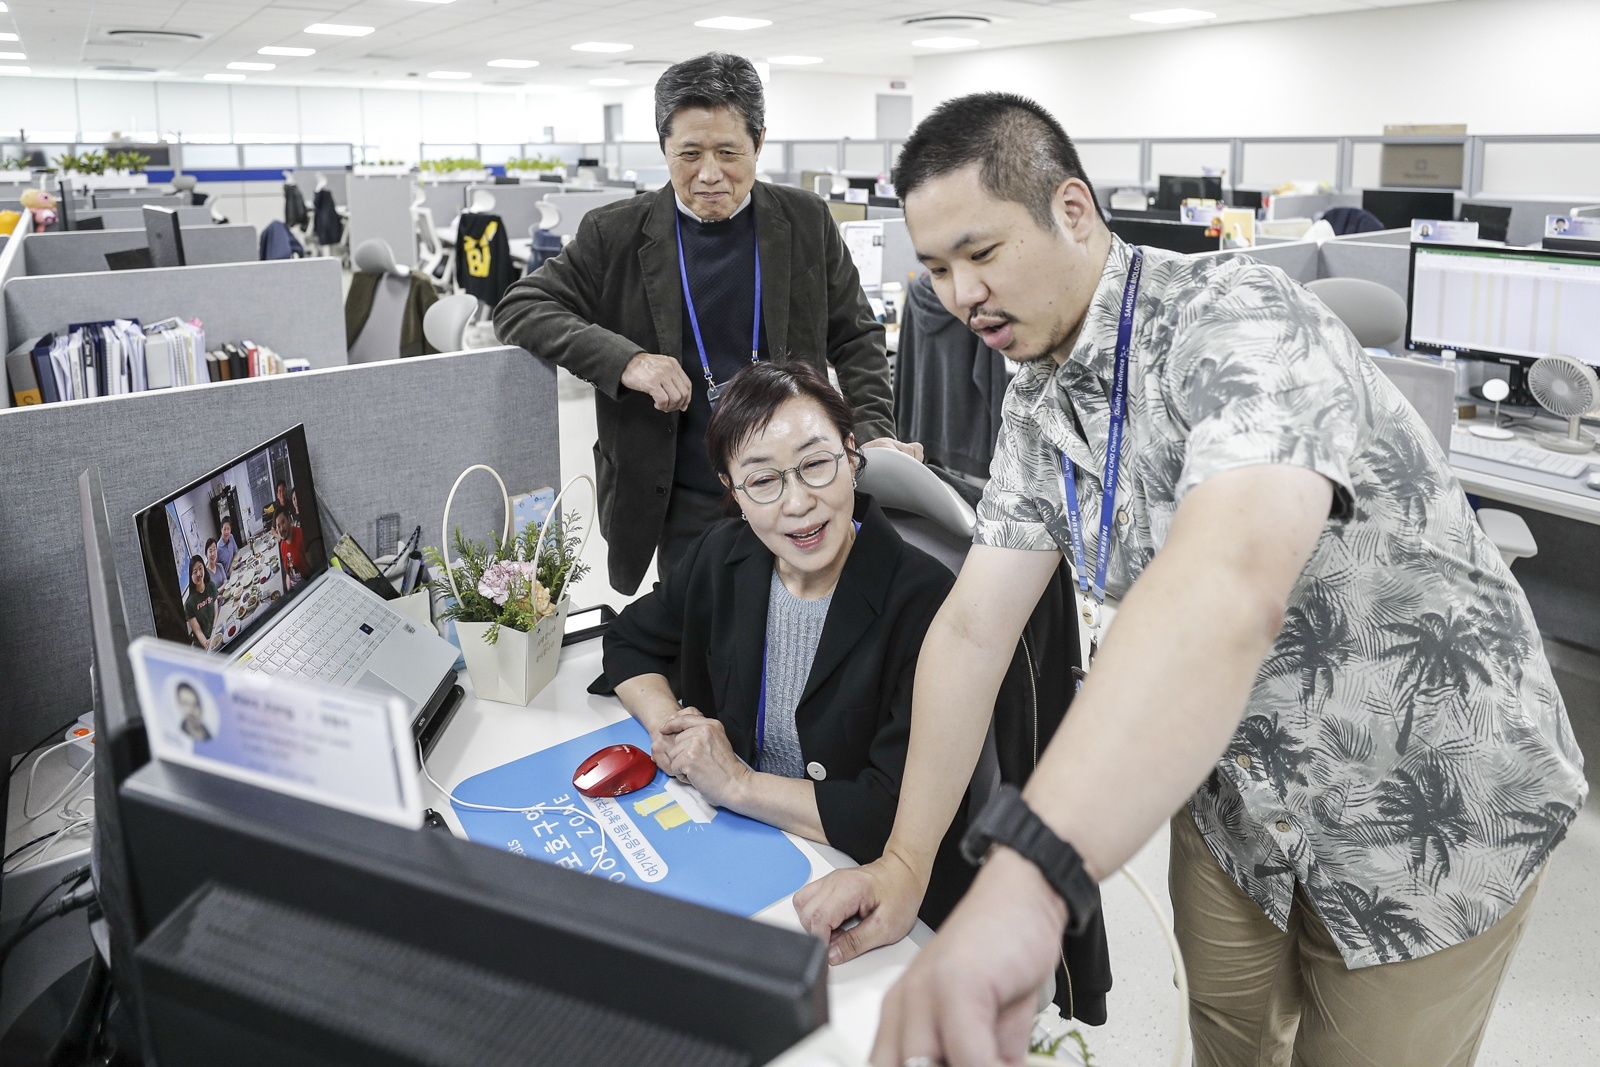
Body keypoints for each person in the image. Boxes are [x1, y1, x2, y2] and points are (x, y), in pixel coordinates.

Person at [793, 93, 1587, 1067]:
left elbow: (1229, 585)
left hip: (1425, 802)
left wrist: (1029, 873)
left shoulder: (1242, 319)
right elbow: (970, 631)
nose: (960, 294)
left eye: (981, 252)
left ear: (1073, 211)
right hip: (1238, 795)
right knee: (1224, 1043)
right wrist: (909, 862)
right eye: (938, 269)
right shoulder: (1042, 401)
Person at [602, 362, 1034, 950]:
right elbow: (630, 640)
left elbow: (890, 814)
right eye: (762, 481)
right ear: (732, 491)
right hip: (758, 857)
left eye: (815, 464)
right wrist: (673, 732)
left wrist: (737, 783)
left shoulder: (928, 600)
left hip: (873, 896)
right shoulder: (723, 555)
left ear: (851, 456)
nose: (798, 503)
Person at [495, 52, 919, 597]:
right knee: (700, 643)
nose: (709, 174)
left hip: (798, 485)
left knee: (808, 623)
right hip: (681, 494)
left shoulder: (804, 220)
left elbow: (857, 338)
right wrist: (627, 361)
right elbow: (521, 306)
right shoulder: (615, 234)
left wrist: (876, 434)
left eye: (729, 152)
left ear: (759, 142)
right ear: (663, 148)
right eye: (689, 154)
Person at [182, 555, 219, 648]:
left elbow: (216, 612)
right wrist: (208, 644)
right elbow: (198, 631)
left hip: (216, 631)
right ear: (191, 576)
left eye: (200, 568)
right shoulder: (189, 604)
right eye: (195, 572)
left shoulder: (211, 586)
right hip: (202, 644)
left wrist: (214, 631)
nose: (198, 573)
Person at [276, 509, 308, 586]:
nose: (281, 529)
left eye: (283, 522)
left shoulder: (301, 534)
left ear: (289, 519)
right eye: (278, 526)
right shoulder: (282, 545)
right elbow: (288, 575)